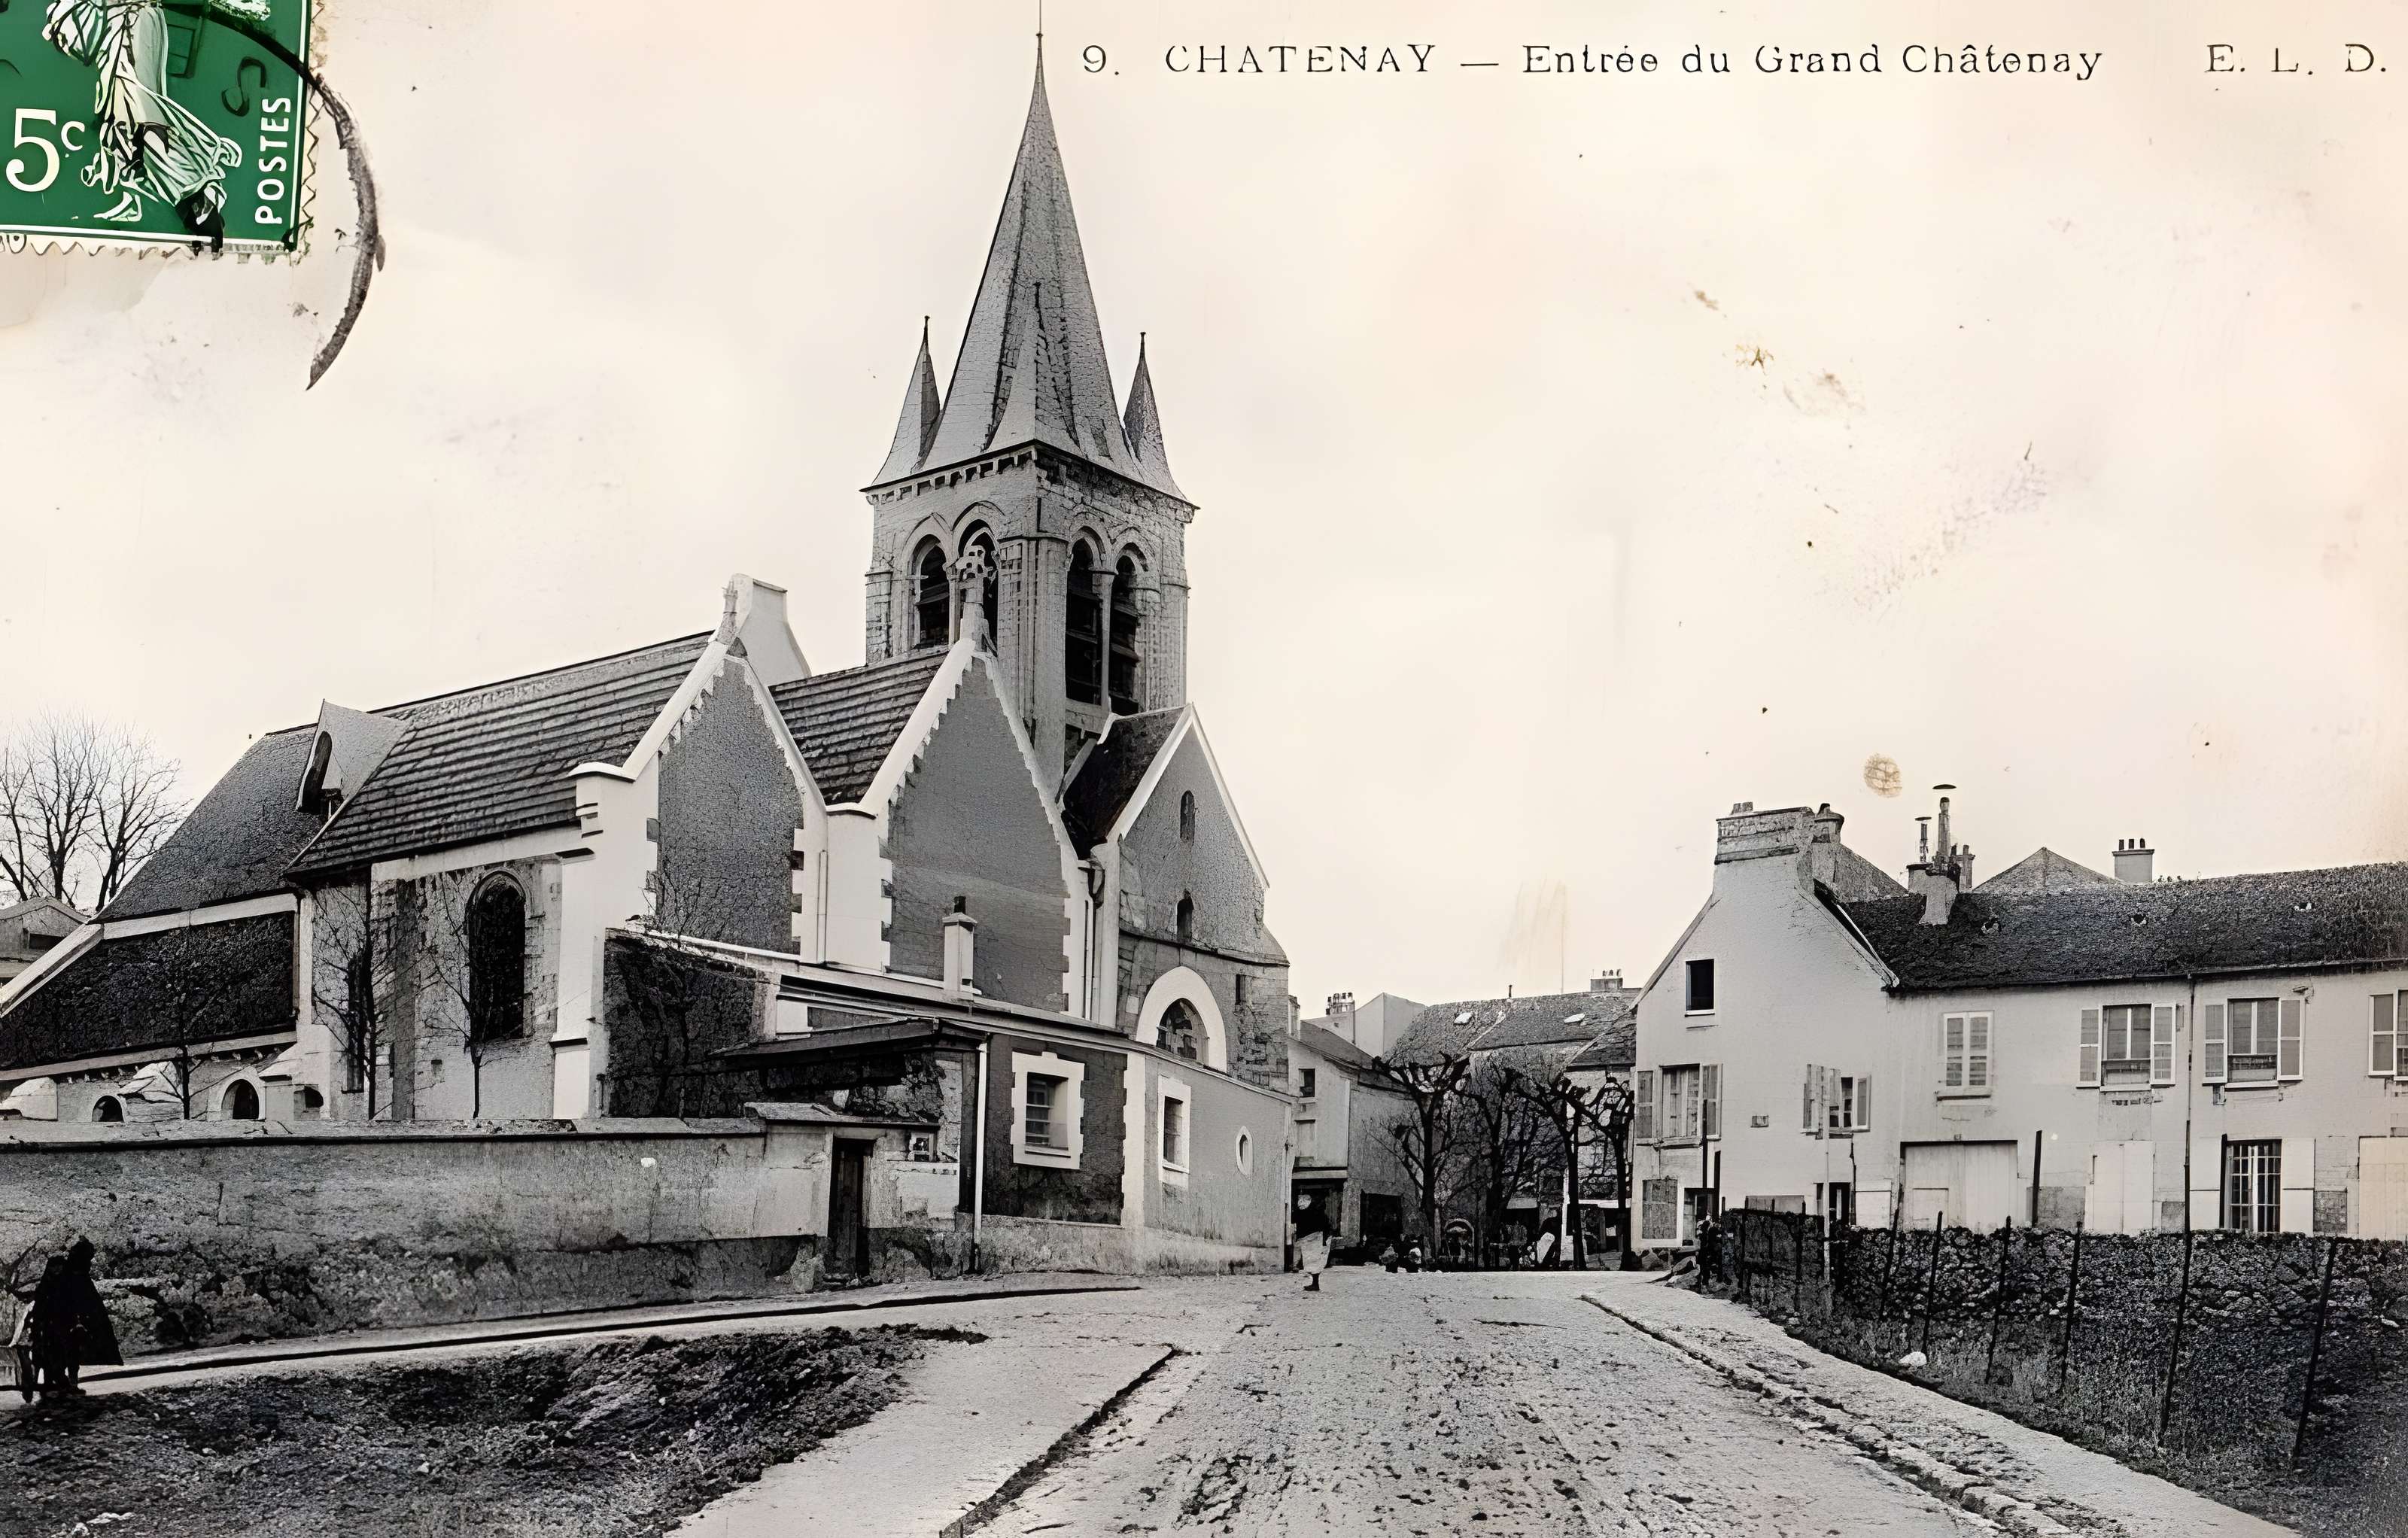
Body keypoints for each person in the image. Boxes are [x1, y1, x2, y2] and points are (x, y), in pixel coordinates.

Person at [57, 1238, 120, 1387]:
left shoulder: (76, 1273)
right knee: (71, 1345)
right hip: (74, 1309)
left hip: (79, 1308)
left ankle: (71, 1376)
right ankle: (69, 1376)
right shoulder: (74, 1274)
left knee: (73, 1345)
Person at [1294, 1193, 1333, 1292]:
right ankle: (1315, 1284)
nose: (1301, 1203)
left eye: (1303, 1201)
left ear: (1308, 1201)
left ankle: (1315, 1284)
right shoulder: (1305, 1212)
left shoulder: (1316, 1212)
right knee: (1311, 1262)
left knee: (1315, 1262)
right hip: (1309, 1240)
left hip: (1315, 1239)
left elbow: (1325, 1226)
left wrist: (1324, 1240)